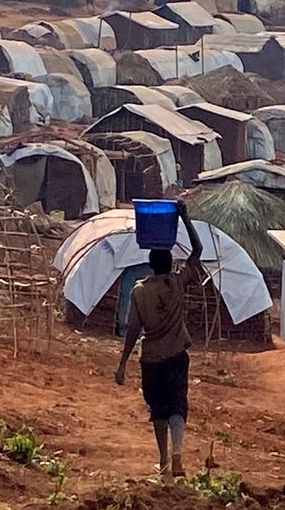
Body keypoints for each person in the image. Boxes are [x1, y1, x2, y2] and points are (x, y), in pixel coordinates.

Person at [115, 204, 203, 477]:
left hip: (152, 359)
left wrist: (122, 364)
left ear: (151, 265)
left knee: (158, 409)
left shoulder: (140, 291)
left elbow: (133, 330)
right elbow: (198, 251)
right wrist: (184, 217)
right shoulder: (176, 284)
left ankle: (163, 459)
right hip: (176, 355)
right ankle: (177, 455)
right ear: (169, 264)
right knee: (177, 404)